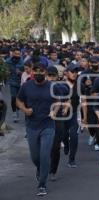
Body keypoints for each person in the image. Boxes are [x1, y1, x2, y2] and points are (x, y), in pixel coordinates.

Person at [16, 62, 59, 196]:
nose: (39, 73)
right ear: (32, 72)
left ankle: (42, 184)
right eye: (36, 71)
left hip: (48, 124)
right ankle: (40, 169)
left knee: (45, 155)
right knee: (35, 156)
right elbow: (18, 100)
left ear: (45, 72)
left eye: (42, 71)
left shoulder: (52, 86)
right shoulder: (26, 86)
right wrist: (25, 109)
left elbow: (58, 101)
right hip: (32, 126)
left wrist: (54, 111)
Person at [5, 48, 24, 122]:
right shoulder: (8, 61)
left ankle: (18, 111)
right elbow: (5, 71)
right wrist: (7, 73)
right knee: (13, 97)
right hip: (12, 82)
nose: (17, 55)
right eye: (16, 54)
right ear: (12, 53)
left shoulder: (22, 61)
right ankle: (14, 113)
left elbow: (26, 72)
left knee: (19, 99)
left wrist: (20, 73)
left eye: (19, 54)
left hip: (21, 82)